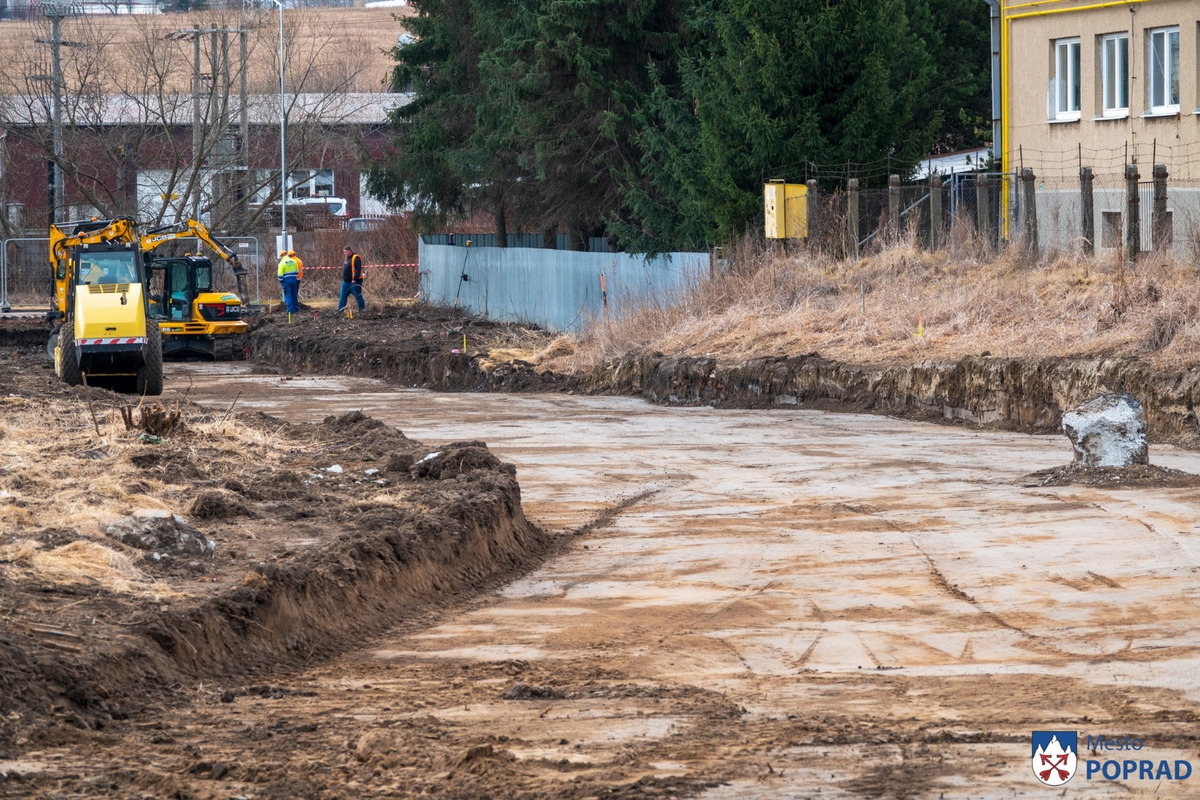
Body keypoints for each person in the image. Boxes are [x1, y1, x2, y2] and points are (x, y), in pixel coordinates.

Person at [337, 245, 365, 315]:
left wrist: (354, 279)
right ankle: (340, 310)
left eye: (345, 252)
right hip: (345, 282)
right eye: (344, 252)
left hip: (354, 282)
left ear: (349, 251)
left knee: (358, 296)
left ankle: (362, 310)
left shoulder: (356, 258)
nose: (344, 253)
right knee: (342, 296)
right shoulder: (346, 259)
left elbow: (358, 270)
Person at [277, 249, 301, 314]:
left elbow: (280, 275)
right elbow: (297, 271)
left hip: (286, 280)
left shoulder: (281, 263)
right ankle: (296, 309)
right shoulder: (293, 261)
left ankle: (290, 310)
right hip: (294, 280)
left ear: (281, 256)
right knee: (294, 294)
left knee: (288, 295)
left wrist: (281, 281)